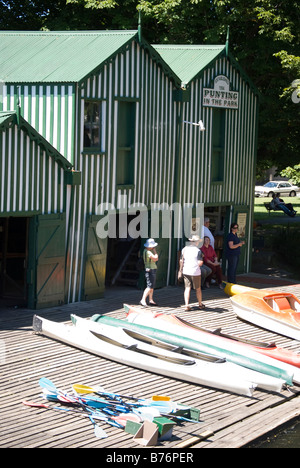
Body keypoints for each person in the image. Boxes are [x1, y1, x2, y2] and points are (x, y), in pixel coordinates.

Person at [180, 235, 205, 311]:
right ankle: (200, 304)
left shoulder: (184, 249)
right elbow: (200, 262)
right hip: (195, 272)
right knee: (198, 289)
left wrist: (180, 269)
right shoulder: (198, 251)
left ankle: (186, 305)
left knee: (187, 288)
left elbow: (181, 260)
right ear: (196, 242)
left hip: (186, 271)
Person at [140, 238, 159, 307]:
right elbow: (156, 258)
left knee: (151, 286)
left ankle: (151, 299)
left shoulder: (145, 251)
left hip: (150, 269)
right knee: (149, 286)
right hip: (151, 269)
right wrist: (155, 251)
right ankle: (143, 300)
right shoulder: (148, 252)